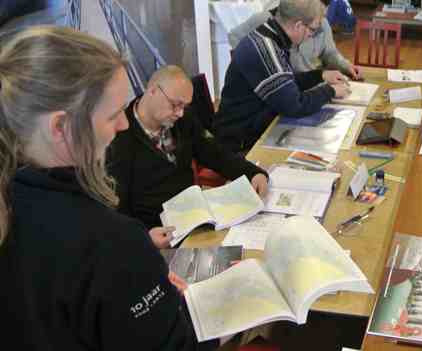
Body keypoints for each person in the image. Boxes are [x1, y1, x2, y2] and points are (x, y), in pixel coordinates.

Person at [0, 26, 217, 350]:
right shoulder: (111, 242)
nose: (124, 124)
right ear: (61, 126)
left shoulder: (16, 200)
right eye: (113, 114)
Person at [107, 65, 269, 242]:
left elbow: (214, 153)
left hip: (194, 218)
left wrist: (253, 172)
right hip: (157, 233)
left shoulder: (182, 120)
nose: (180, 113)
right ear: (152, 91)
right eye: (175, 105)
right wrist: (143, 237)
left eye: (184, 106)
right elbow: (116, 207)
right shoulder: (119, 138)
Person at [214, 0, 351, 153]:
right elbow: (294, 106)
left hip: (256, 128)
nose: (311, 36)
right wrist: (330, 91)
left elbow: (287, 83)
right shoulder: (267, 49)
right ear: (298, 26)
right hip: (240, 144)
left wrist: (320, 75)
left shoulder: (269, 34)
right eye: (312, 30)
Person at [227, 0, 360, 80]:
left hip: (305, 83)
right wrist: (253, 69)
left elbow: (330, 53)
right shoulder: (266, 20)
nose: (323, 16)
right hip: (284, 87)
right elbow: (234, 37)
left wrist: (346, 66)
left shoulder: (321, 23)